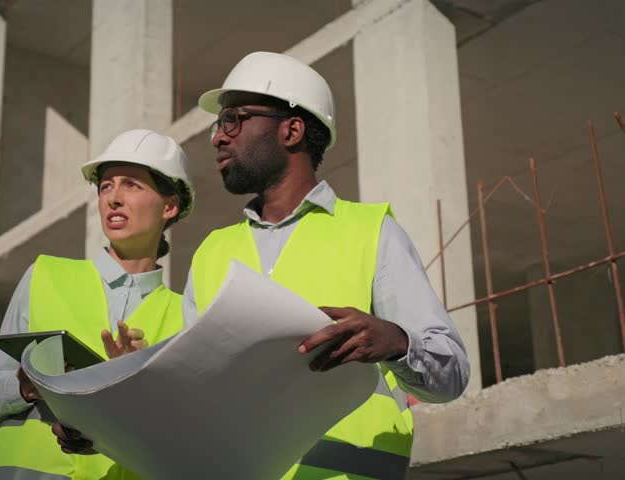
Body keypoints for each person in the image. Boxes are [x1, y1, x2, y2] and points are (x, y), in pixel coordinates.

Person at [185, 51, 470, 479]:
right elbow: (190, 393)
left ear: (292, 130)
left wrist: (396, 342)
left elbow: (452, 374)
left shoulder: (372, 231)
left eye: (235, 119)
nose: (219, 137)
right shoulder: (211, 252)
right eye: (219, 124)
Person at [0, 129, 194, 480]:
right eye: (106, 186)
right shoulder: (45, 275)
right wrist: (29, 385)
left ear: (170, 205)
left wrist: (136, 385)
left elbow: (178, 437)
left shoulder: (185, 317)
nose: (113, 198)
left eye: (131, 184)